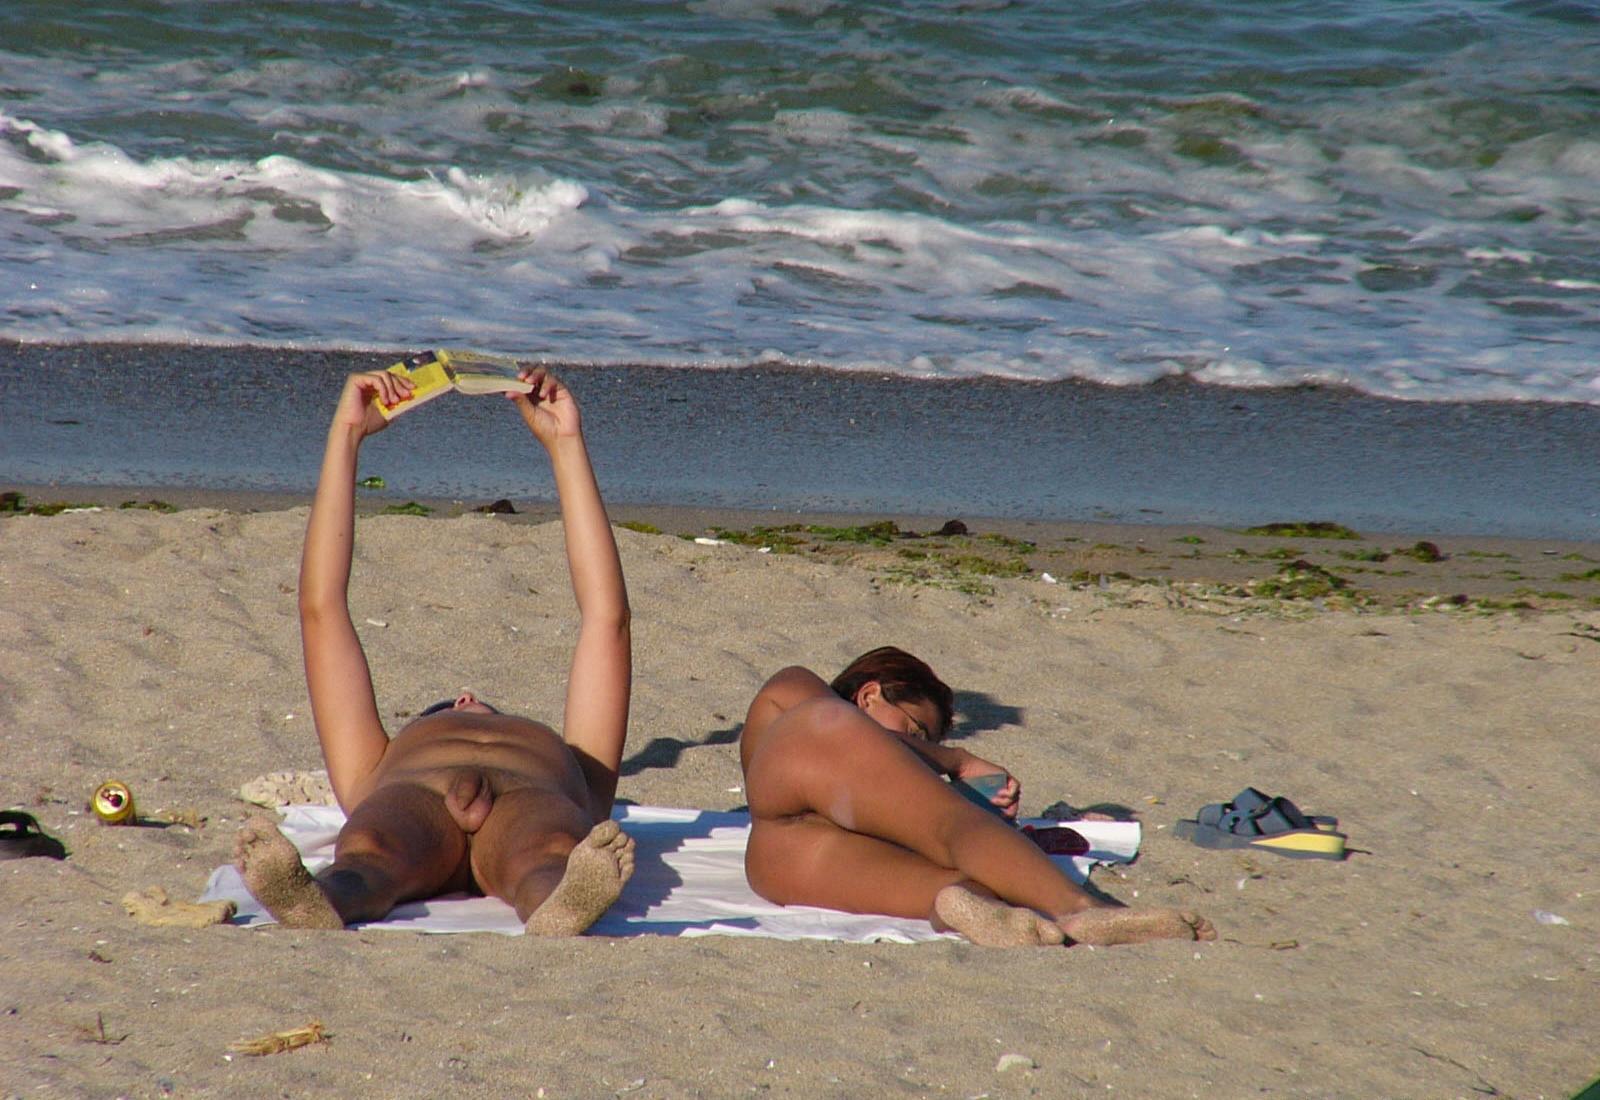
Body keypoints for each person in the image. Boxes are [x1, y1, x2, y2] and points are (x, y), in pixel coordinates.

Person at [234, 366, 634, 935]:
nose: (465, 698)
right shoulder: (564, 763)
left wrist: (566, 442)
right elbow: (319, 611)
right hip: (485, 795)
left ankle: (558, 903)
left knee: (539, 857)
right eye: (452, 704)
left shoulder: (388, 761)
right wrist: (345, 435)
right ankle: (320, 899)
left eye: (455, 703)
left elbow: (608, 622)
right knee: (376, 856)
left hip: (491, 798)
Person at [739, 647, 1216, 947]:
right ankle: (1082, 910)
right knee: (951, 824)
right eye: (917, 730)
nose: (921, 748)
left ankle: (966, 910)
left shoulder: (849, 764)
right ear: (869, 696)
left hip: (777, 857)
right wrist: (958, 761)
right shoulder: (801, 689)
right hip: (798, 782)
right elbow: (855, 737)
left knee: (961, 885)